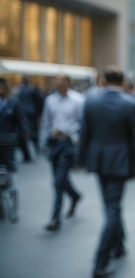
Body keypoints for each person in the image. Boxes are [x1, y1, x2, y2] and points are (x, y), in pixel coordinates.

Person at [78, 66, 135, 278]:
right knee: (113, 208)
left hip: (99, 159)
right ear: (123, 81)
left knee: (110, 204)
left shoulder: (91, 101)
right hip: (120, 160)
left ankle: (119, 244)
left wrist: (82, 160)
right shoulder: (131, 103)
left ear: (103, 81)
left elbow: (84, 133)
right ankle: (100, 262)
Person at [40, 74, 85, 231]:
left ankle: (55, 218)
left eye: (61, 81)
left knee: (58, 181)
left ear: (68, 83)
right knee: (59, 179)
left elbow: (83, 124)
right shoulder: (50, 100)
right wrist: (44, 142)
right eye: (55, 81)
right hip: (54, 143)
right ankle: (75, 196)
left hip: (68, 143)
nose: (58, 84)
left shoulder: (78, 100)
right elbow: (46, 122)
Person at [0, 77, 29, 221]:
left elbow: (22, 122)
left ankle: (12, 208)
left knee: (8, 177)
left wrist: (19, 136)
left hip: (7, 145)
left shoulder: (13, 103)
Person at [16, 76, 43, 162]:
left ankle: (27, 154)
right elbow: (40, 101)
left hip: (23, 113)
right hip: (32, 113)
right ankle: (36, 149)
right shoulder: (32, 90)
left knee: (24, 133)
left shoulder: (19, 90)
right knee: (34, 132)